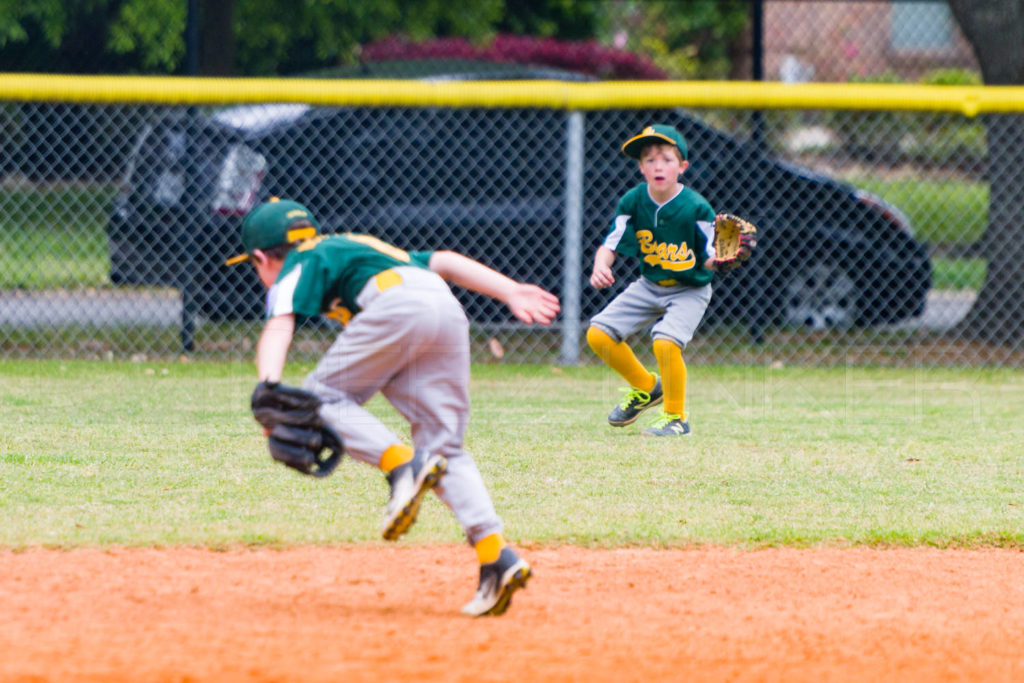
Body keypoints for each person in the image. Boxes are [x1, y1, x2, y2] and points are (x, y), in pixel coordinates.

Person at [226, 197, 560, 616]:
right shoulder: (357, 248)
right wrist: (509, 290)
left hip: (398, 307)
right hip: (443, 309)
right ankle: (496, 558)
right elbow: (445, 260)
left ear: (261, 257)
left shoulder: (301, 259)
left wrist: (268, 387)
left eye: (255, 266)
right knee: (445, 448)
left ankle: (402, 464)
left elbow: (280, 321)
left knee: (320, 398)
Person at [587, 123, 745, 437]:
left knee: (665, 342)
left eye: (666, 159)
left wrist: (723, 260)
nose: (658, 166)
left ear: (682, 167)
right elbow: (611, 243)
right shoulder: (632, 201)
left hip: (690, 288)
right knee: (598, 335)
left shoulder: (696, 207)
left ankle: (676, 418)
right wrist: (599, 266)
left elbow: (709, 256)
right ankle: (647, 388)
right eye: (649, 159)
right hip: (649, 285)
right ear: (640, 167)